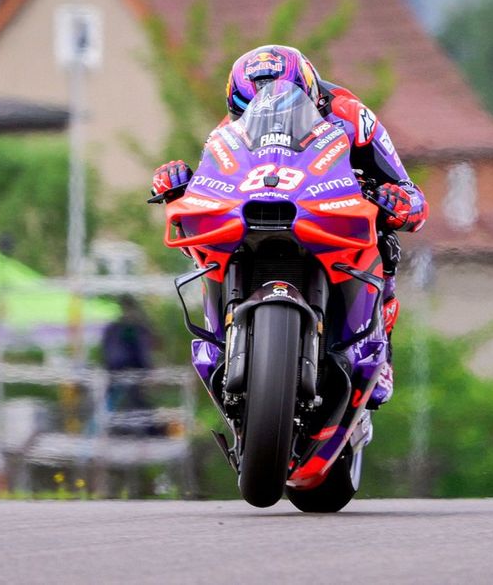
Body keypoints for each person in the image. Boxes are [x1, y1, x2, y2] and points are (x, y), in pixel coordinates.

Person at [152, 45, 428, 408]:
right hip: (257, 213)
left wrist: (398, 201)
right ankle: (220, 336)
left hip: (326, 208)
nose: (263, 114)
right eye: (248, 109)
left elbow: (409, 191)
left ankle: (379, 344)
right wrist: (178, 186)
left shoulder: (352, 116)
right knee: (208, 241)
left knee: (385, 238)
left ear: (310, 90)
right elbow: (210, 183)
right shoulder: (228, 131)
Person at [101, 295, 156, 428]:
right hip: (124, 368)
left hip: (123, 368)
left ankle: (139, 428)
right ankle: (140, 428)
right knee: (128, 400)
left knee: (132, 400)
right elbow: (142, 348)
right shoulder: (127, 327)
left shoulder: (120, 327)